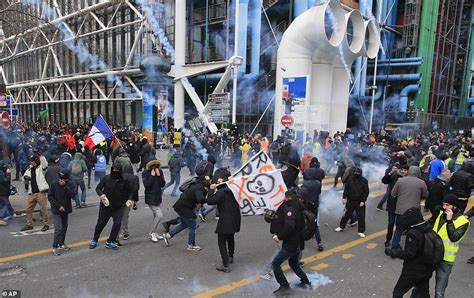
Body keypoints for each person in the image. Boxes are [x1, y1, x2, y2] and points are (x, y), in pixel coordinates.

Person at [270, 189, 311, 295]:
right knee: (293, 263)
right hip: (299, 241)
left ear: (287, 197)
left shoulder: (291, 208)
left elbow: (289, 226)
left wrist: (279, 236)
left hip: (291, 243)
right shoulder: (300, 205)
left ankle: (284, 286)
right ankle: (306, 282)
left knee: (275, 263)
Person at [431, 194, 470, 297]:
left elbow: (454, 237)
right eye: (443, 204)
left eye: (447, 205)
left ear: (455, 206)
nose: (444, 207)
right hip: (431, 253)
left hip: (446, 259)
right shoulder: (440, 214)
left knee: (439, 292)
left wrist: (449, 221)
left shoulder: (464, 222)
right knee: (420, 284)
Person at [392, 207, 436, 298]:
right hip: (427, 267)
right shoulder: (428, 227)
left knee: (397, 292)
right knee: (423, 291)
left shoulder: (413, 233)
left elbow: (409, 254)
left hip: (414, 269)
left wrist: (394, 253)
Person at [89, 166, 133, 250]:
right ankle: (95, 239)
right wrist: (101, 194)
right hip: (106, 206)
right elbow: (98, 188)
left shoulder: (124, 181)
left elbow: (130, 191)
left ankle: (110, 241)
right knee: (101, 223)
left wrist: (130, 199)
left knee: (117, 223)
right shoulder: (106, 178)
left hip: (118, 206)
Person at [207, 168, 241, 273]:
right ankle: (230, 256)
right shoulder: (233, 189)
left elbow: (209, 201)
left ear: (220, 180)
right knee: (230, 237)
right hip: (235, 219)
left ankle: (225, 264)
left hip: (226, 220)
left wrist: (211, 190)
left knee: (221, 242)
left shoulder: (221, 192)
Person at [163, 177, 210, 251]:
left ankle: (168, 235)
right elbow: (200, 198)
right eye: (207, 189)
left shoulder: (198, 186)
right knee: (192, 226)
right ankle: (191, 245)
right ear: (205, 187)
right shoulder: (200, 189)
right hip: (184, 207)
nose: (207, 191)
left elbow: (196, 198)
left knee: (184, 224)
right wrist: (207, 200)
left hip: (181, 206)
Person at [389, 166, 429, 254]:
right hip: (413, 212)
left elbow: (393, 194)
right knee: (412, 230)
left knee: (398, 229)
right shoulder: (421, 182)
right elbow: (425, 195)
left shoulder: (400, 180)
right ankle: (409, 249)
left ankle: (394, 247)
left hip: (400, 210)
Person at [48, 170, 77, 256]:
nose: (61, 180)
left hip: (66, 209)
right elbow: (50, 196)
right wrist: (58, 206)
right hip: (57, 210)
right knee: (59, 228)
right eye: (60, 178)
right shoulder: (54, 184)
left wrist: (65, 187)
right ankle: (55, 247)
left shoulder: (70, 184)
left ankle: (61, 243)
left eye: (64, 179)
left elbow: (73, 195)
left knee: (64, 227)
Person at [335, 167, 369, 238]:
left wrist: (363, 201)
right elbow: (346, 189)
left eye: (357, 173)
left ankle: (361, 231)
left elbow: (366, 192)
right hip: (350, 200)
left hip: (359, 201)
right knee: (346, 214)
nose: (356, 174)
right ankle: (342, 226)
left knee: (361, 217)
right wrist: (344, 198)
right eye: (355, 173)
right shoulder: (349, 179)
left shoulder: (364, 181)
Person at [381, 164, 407, 249]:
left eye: (405, 170)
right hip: (392, 204)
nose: (403, 171)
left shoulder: (408, 179)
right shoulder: (394, 175)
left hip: (402, 204)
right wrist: (390, 172)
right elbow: (384, 180)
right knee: (391, 223)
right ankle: (388, 240)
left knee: (399, 224)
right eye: (401, 169)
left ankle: (396, 242)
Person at [298, 167, 324, 251]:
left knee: (302, 222)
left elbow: (302, 194)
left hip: (306, 206)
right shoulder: (318, 183)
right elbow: (318, 194)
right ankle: (319, 243)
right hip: (314, 206)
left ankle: (301, 239)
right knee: (314, 223)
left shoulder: (306, 183)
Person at [22, 155, 50, 232]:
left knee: (43, 209)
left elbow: (45, 164)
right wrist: (25, 179)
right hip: (32, 193)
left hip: (40, 192)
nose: (31, 163)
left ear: (36, 161)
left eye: (33, 161)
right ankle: (29, 224)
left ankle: (46, 224)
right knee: (28, 210)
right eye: (31, 161)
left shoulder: (41, 168)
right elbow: (23, 179)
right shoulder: (29, 170)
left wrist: (41, 156)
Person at [142, 159, 166, 243]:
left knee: (155, 216)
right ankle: (151, 233)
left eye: (156, 165)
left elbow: (162, 184)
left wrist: (159, 175)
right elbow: (147, 186)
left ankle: (154, 232)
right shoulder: (145, 173)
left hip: (158, 196)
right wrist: (152, 176)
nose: (155, 167)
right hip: (150, 197)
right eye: (153, 165)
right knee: (159, 215)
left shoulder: (159, 171)